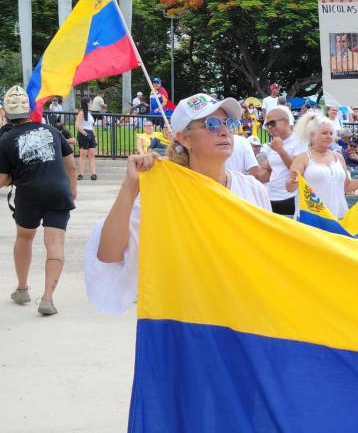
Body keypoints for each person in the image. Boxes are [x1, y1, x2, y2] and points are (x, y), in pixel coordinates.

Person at [85, 93, 269, 314]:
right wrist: (131, 185)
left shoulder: (253, 190)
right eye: (211, 124)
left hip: (242, 317)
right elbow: (109, 254)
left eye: (228, 123)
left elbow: (268, 259)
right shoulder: (164, 195)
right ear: (184, 139)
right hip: (185, 319)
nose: (224, 131)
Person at [0, 86, 77, 316]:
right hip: (58, 191)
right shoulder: (51, 131)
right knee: (55, 244)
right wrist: (72, 189)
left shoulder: (6, 139)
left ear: (6, 112)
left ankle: (22, 289)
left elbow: (2, 179)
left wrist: (13, 177)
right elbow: (71, 164)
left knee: (24, 237)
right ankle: (47, 299)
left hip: (29, 193)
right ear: (29, 110)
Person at [286, 113, 358, 218]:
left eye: (331, 133)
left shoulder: (339, 157)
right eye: (324, 133)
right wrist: (292, 181)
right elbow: (290, 188)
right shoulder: (302, 158)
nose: (329, 136)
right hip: (312, 219)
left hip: (338, 216)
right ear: (312, 135)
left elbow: (346, 186)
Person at [261, 107, 304, 216]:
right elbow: (272, 168)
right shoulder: (275, 143)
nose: (270, 128)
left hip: (290, 196)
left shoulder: (299, 141)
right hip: (271, 196)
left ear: (285, 121)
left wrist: (280, 150)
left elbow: (297, 171)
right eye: (267, 125)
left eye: (272, 123)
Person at [75, 96, 97, 180]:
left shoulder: (89, 113)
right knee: (83, 155)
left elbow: (91, 126)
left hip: (91, 134)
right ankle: (81, 174)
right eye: (90, 102)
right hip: (84, 134)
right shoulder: (81, 112)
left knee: (92, 155)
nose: (91, 104)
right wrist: (84, 133)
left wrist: (94, 136)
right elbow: (77, 124)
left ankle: (93, 174)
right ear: (86, 103)